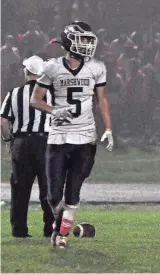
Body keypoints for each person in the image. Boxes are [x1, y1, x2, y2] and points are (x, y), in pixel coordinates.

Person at [30, 21, 113, 248]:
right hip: (58, 136)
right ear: (68, 41)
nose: (86, 44)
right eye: (82, 39)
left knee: (73, 190)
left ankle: (62, 235)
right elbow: (35, 100)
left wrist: (108, 128)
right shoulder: (52, 67)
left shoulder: (97, 67)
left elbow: (102, 100)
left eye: (88, 40)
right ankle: (64, 227)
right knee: (53, 195)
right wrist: (55, 110)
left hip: (85, 138)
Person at [0, 55, 54, 238]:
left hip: (21, 143)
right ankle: (51, 229)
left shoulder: (14, 93)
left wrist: (8, 141)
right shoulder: (52, 93)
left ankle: (19, 230)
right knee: (49, 187)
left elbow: (3, 121)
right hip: (46, 143)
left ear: (26, 72)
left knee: (20, 188)